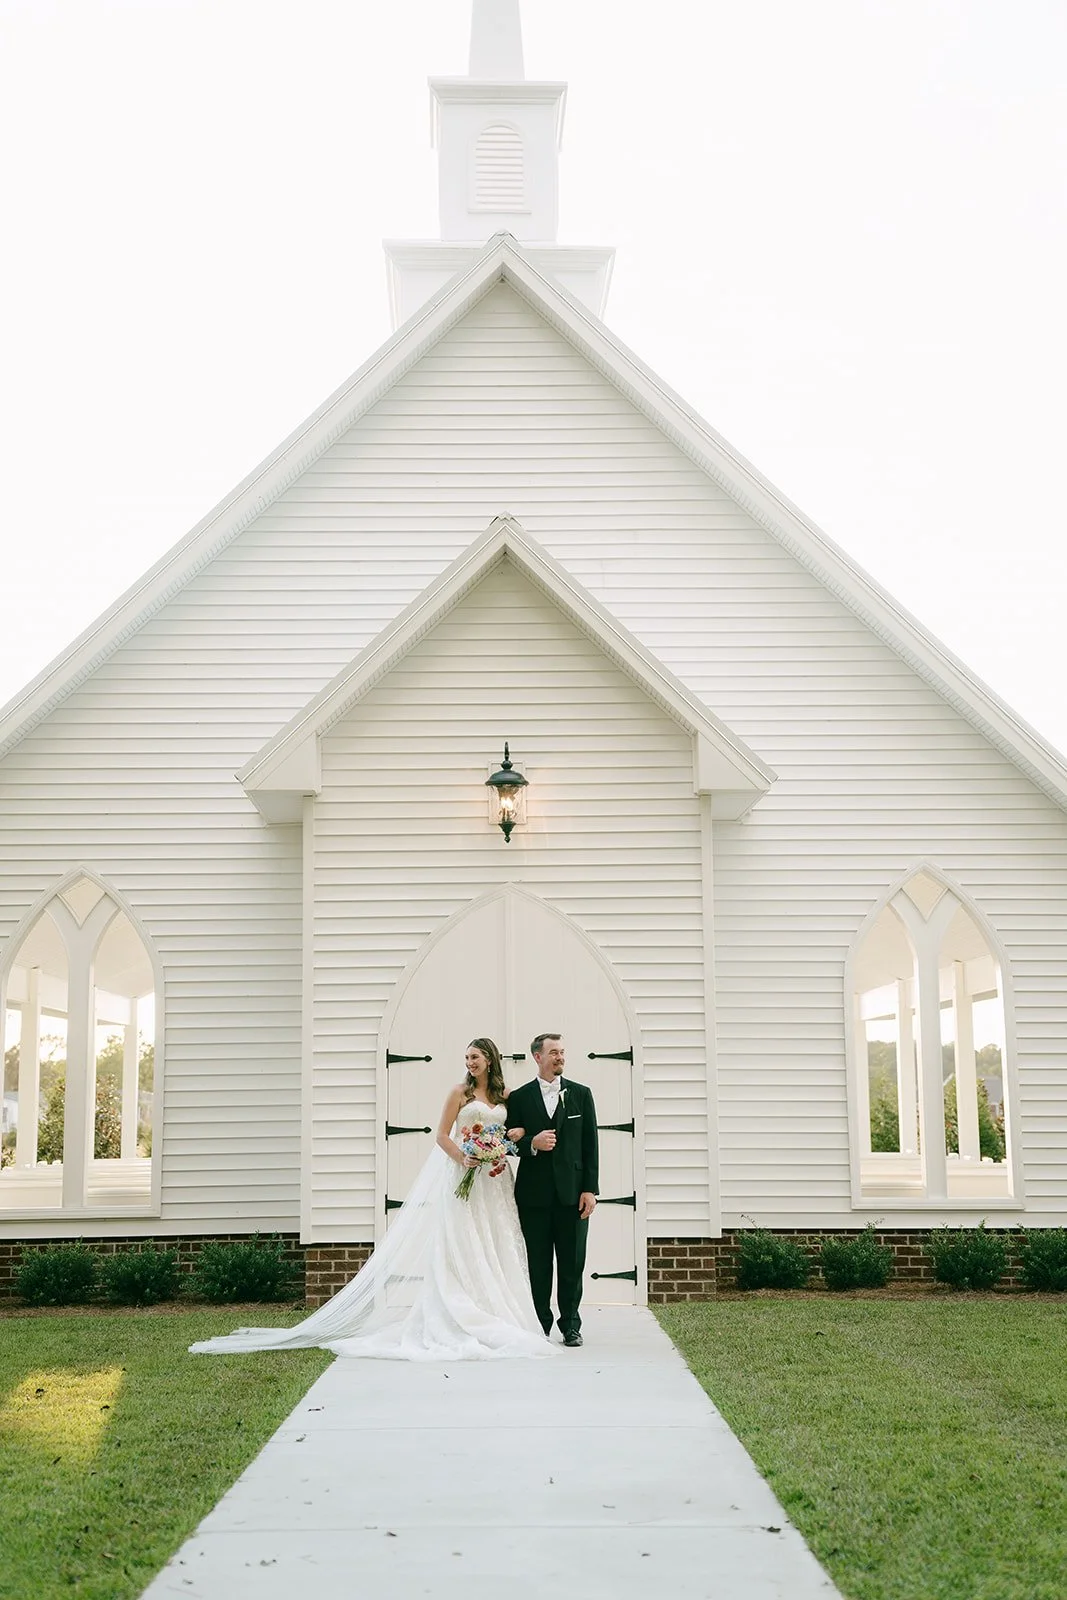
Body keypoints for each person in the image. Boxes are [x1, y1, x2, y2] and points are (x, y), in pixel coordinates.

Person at [189, 1039, 556, 1361]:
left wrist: (504, 1146)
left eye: (475, 1057)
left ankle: (501, 1308)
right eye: (466, 1057)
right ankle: (462, 1310)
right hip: (464, 1172)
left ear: (489, 1060)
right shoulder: (457, 1093)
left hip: (494, 1180)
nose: (469, 1063)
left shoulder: (506, 1096)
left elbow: (513, 1131)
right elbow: (442, 1136)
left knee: (496, 1239)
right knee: (464, 1240)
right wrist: (464, 1157)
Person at [506, 1033, 598, 1347]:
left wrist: (590, 1189)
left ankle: (571, 1325)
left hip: (573, 1195)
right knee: (538, 1262)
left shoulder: (581, 1095)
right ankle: (540, 1324)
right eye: (553, 1052)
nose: (559, 1057)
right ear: (537, 1057)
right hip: (533, 1196)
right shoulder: (518, 1098)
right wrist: (531, 1142)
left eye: (562, 1052)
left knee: (572, 1263)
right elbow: (507, 1145)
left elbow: (590, 1146)